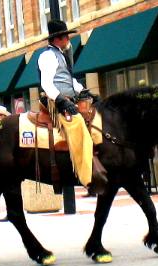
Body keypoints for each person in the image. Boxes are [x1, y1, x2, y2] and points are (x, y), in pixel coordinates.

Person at [38, 19, 107, 193]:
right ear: (58, 38)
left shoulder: (60, 54)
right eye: (66, 36)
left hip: (68, 98)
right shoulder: (47, 56)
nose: (68, 39)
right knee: (77, 125)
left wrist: (86, 92)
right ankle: (87, 177)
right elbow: (46, 84)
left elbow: (69, 80)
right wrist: (62, 100)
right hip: (55, 101)